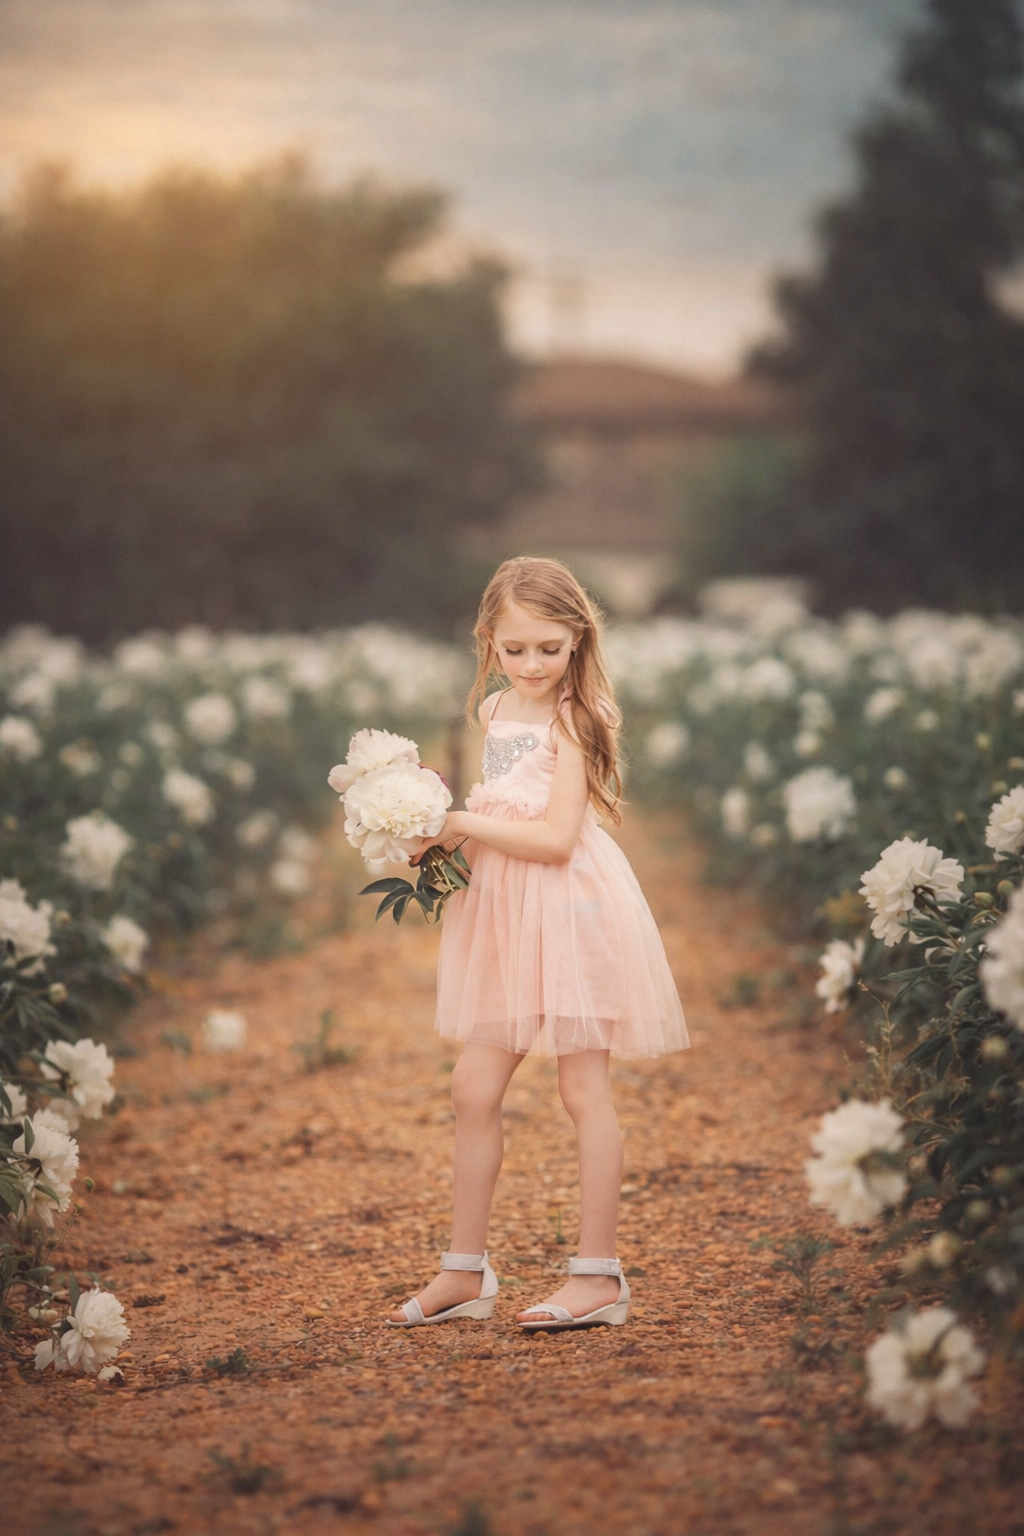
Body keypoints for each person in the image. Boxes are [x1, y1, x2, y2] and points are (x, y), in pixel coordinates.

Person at [386, 556, 689, 1331]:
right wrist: (433, 842)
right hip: (505, 913)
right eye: (515, 648)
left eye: (548, 649)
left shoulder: (580, 719)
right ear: (489, 641)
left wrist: (459, 822)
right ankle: (465, 1271)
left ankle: (598, 1277)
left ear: (577, 641)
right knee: (472, 1089)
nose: (530, 665)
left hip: (572, 909)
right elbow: (498, 816)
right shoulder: (492, 714)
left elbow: (554, 839)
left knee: (581, 1090)